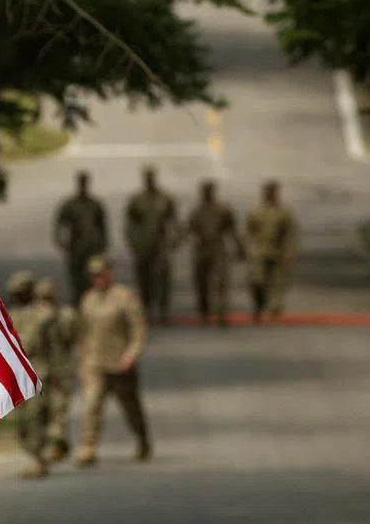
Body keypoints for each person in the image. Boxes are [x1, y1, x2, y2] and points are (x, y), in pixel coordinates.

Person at [75, 256, 152, 465]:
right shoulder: (88, 299)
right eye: (93, 276)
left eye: (101, 274)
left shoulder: (124, 297)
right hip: (95, 363)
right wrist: (82, 359)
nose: (97, 279)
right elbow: (83, 332)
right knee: (91, 404)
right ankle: (88, 447)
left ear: (109, 273)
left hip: (119, 363)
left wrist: (131, 354)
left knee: (131, 407)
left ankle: (142, 439)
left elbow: (138, 330)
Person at [6, 270, 58, 477]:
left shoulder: (45, 315)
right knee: (23, 421)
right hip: (19, 374)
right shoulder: (12, 316)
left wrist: (58, 375)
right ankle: (35, 453)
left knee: (37, 416)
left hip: (40, 370)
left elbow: (55, 348)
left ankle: (38, 458)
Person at [183, 180, 245, 327]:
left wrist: (240, 248)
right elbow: (188, 230)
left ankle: (221, 315)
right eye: (205, 191)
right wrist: (191, 240)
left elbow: (232, 229)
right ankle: (204, 313)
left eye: (209, 191)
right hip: (202, 250)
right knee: (201, 283)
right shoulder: (196, 212)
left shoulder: (223, 210)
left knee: (221, 282)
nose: (207, 194)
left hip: (218, 249)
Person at [124, 165, 179, 324]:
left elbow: (174, 220)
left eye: (152, 178)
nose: (150, 181)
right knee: (144, 278)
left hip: (160, 245)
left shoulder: (164, 199)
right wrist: (132, 242)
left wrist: (175, 238)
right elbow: (130, 223)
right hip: (143, 245)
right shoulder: (137, 200)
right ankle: (147, 310)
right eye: (147, 178)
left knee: (163, 278)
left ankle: (164, 310)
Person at [34, 278, 76, 464]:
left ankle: (57, 444)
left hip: (58, 369)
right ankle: (56, 443)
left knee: (58, 408)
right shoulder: (41, 316)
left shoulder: (62, 315)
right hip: (45, 370)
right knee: (46, 408)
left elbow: (71, 336)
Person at [246, 180, 298, 322]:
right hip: (260, 252)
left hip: (278, 252)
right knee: (258, 281)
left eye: (272, 192)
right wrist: (243, 249)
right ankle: (259, 305)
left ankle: (275, 310)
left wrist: (291, 253)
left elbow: (292, 234)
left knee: (277, 283)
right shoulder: (255, 212)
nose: (270, 195)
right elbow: (247, 232)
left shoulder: (284, 213)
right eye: (267, 192)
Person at [54, 171, 109, 304]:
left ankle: (92, 307)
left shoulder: (95, 205)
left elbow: (103, 227)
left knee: (93, 279)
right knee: (76, 281)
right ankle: (78, 306)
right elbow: (59, 223)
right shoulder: (70, 205)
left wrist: (103, 245)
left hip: (92, 249)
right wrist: (61, 241)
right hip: (76, 249)